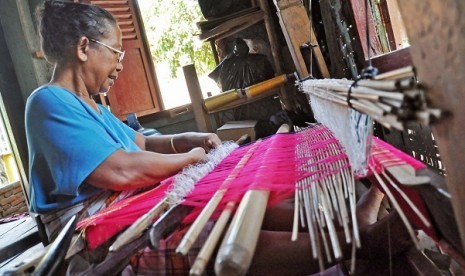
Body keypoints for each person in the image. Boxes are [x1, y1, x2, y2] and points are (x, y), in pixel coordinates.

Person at [26, 1, 415, 275]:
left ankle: (346, 223)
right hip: (96, 235)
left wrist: (188, 139)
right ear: (83, 49)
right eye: (115, 53)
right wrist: (191, 160)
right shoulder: (47, 103)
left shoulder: (93, 106)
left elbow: (141, 144)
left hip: (126, 207)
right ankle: (357, 244)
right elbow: (121, 171)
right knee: (206, 223)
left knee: (232, 198)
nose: (120, 65)